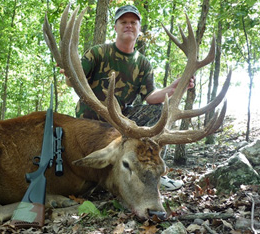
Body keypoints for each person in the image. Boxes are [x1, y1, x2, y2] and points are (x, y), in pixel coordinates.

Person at [63, 5, 194, 190]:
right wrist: (69, 75)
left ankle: (152, 169)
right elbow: (74, 80)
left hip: (122, 124)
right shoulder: (98, 53)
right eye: (123, 22)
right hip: (90, 122)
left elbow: (149, 96)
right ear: (115, 27)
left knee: (159, 112)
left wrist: (172, 88)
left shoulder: (143, 62)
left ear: (139, 28)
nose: (128, 25)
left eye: (133, 22)